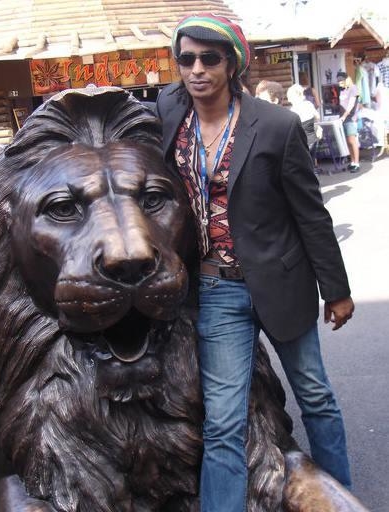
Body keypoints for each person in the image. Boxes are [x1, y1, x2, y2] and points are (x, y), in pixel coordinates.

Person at [156, 12, 354, 511]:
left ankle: (338, 498)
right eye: (186, 59)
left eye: (209, 58)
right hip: (216, 287)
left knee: (315, 396)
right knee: (223, 421)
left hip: (281, 281)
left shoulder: (277, 126)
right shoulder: (168, 113)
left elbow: (311, 215)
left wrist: (337, 290)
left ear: (232, 64)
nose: (196, 69)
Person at [287, 83, 321, 161]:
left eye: (289, 97)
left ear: (295, 96)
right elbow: (317, 117)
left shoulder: (293, 110)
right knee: (311, 161)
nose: (288, 100)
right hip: (312, 138)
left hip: (302, 141)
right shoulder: (308, 104)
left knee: (304, 162)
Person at [337, 71, 361, 173]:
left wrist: (344, 116)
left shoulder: (353, 88)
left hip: (351, 119)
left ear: (346, 79)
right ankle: (352, 162)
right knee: (348, 142)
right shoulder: (342, 90)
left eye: (341, 81)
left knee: (352, 141)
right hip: (343, 119)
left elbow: (351, 105)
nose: (339, 83)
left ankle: (357, 163)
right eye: (338, 81)